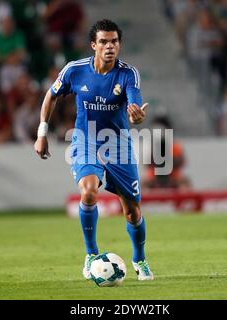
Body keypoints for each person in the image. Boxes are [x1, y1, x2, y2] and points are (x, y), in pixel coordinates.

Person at [34, 19, 154, 281]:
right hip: (85, 140)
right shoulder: (74, 70)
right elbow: (51, 95)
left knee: (132, 211)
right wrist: (42, 132)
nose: (110, 46)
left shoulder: (128, 73)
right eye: (104, 42)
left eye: (114, 41)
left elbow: (134, 107)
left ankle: (140, 259)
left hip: (118, 144)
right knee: (88, 191)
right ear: (93, 45)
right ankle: (91, 255)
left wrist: (135, 117)